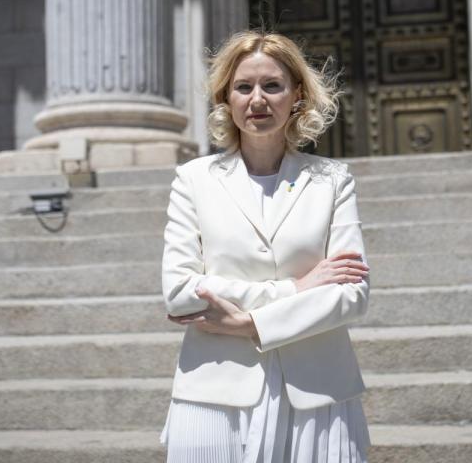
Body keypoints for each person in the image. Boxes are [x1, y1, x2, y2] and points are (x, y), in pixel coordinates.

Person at [159, 30, 372, 462]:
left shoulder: (333, 180)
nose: (257, 99)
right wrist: (296, 289)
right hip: (214, 390)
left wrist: (248, 323)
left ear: (296, 95)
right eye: (244, 87)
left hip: (318, 392)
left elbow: (351, 295)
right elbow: (181, 293)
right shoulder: (193, 180)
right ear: (226, 97)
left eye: (272, 85)